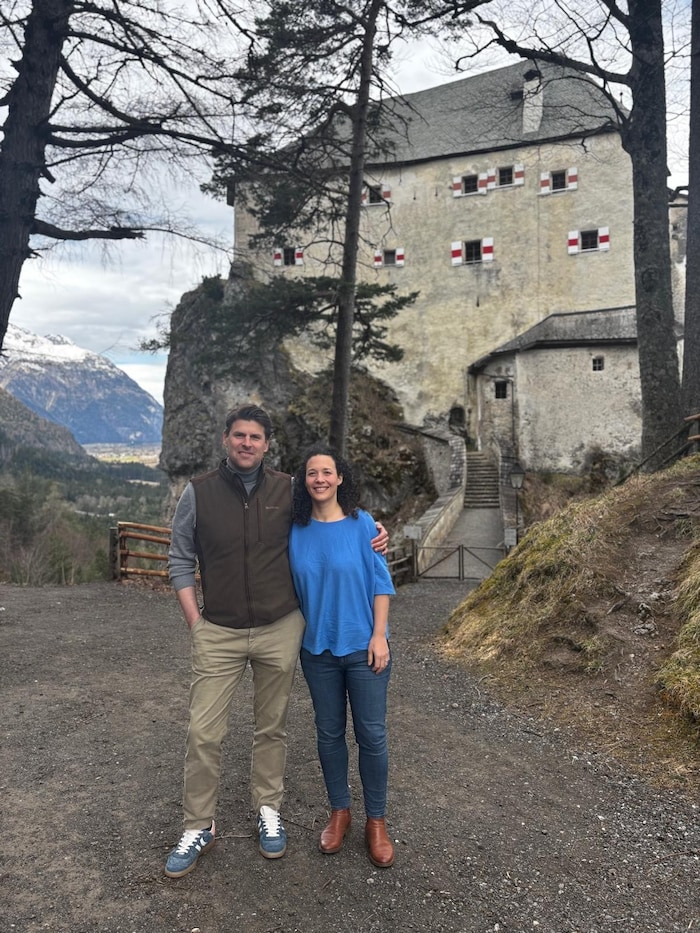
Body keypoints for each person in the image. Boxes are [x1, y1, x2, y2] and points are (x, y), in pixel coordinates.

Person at [164, 405, 387, 878]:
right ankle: (198, 824)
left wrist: (372, 530)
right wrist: (195, 622)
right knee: (204, 732)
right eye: (239, 435)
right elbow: (180, 558)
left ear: (267, 444)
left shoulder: (288, 490)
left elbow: (332, 514)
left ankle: (268, 810)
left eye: (256, 437)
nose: (247, 443)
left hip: (280, 627)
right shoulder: (198, 493)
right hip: (218, 630)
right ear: (226, 439)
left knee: (273, 727)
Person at [289, 443, 396, 869]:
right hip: (316, 649)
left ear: (340, 478)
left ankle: (376, 821)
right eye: (312, 472)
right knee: (329, 733)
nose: (319, 479)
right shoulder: (292, 529)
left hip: (363, 646)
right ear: (305, 481)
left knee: (371, 735)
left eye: (326, 472)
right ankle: (339, 811)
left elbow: (381, 584)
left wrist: (379, 636)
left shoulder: (363, 524)